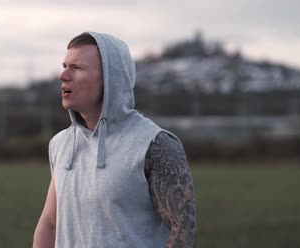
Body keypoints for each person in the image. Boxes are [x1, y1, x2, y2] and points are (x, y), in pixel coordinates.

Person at [33, 32, 197, 247]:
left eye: (77, 67)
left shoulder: (155, 143)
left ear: (111, 78)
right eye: (65, 65)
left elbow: (182, 230)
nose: (63, 75)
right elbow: (50, 223)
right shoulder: (60, 144)